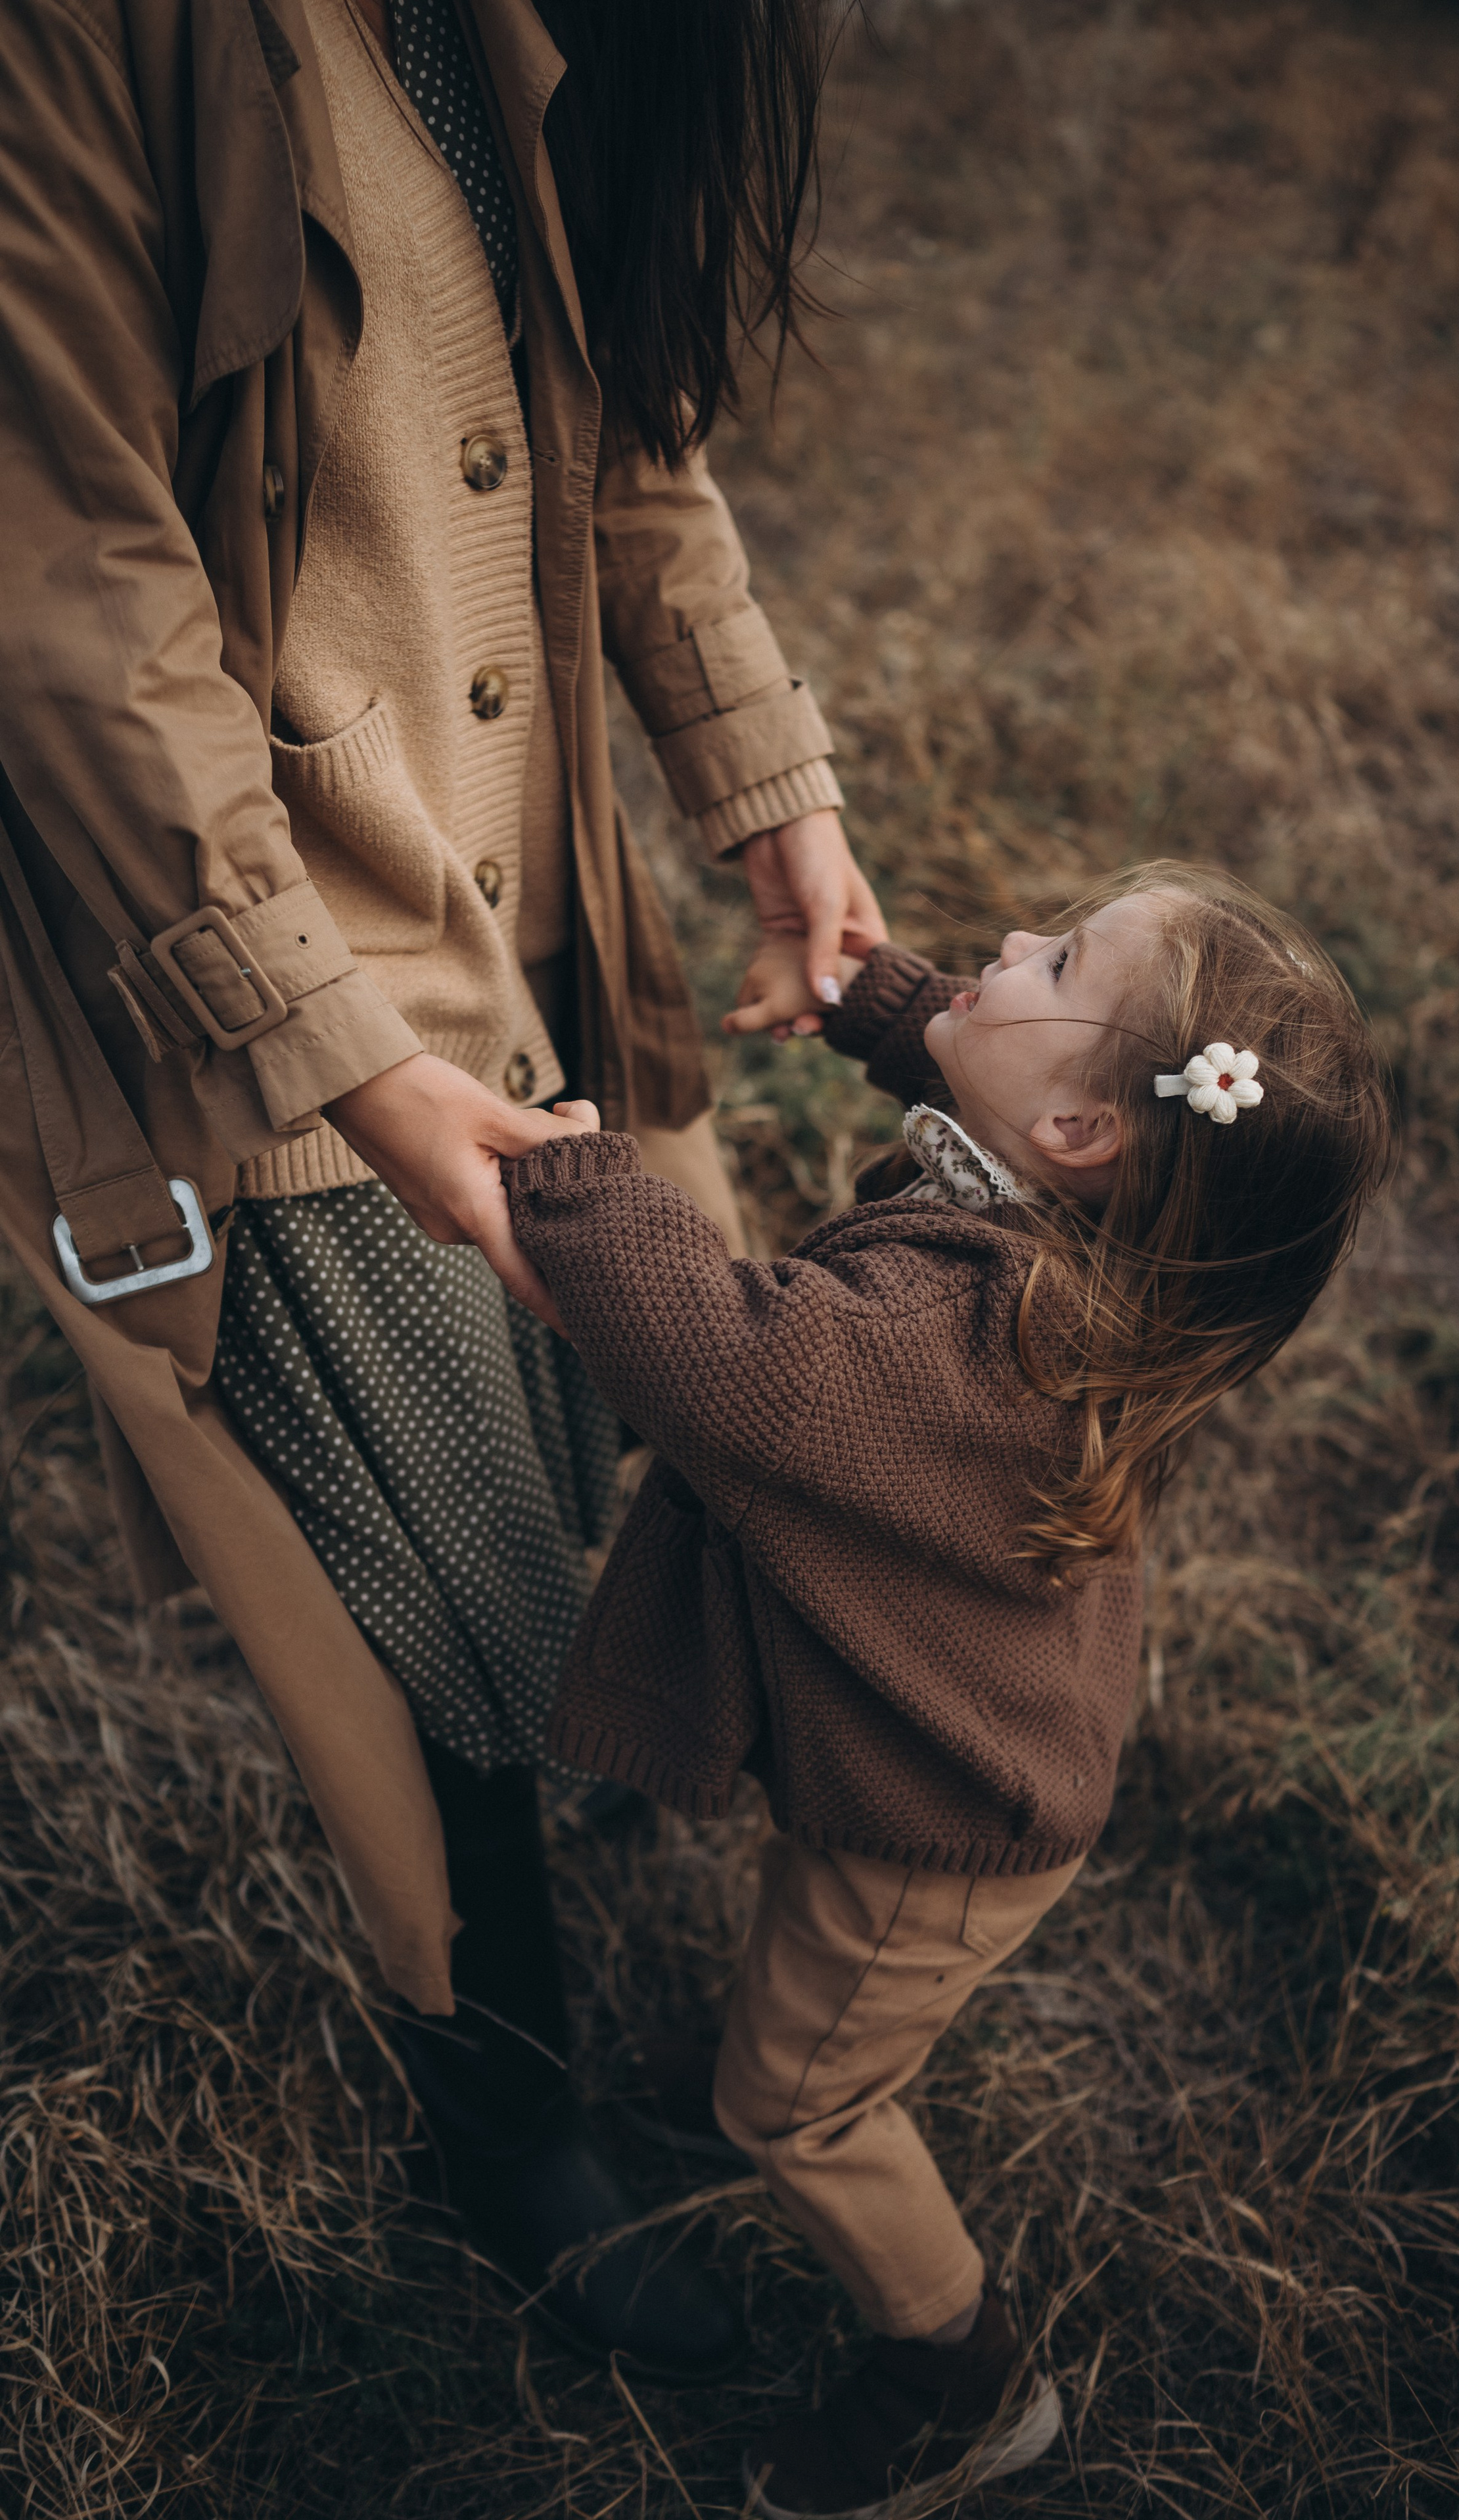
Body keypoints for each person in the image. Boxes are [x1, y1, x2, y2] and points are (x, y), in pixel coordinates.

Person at [0, 0, 885, 2379]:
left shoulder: (512, 26)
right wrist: (326, 1040)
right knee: (432, 1607)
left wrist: (761, 773)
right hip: (259, 966)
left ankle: (563, 1828)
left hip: (537, 904)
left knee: (585, 1457)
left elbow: (617, 438)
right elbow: (69, 581)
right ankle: (509, 2124)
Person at [506, 862, 1397, 2511]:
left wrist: (576, 1181)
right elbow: (1005, 1094)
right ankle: (834, 2106)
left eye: (1050, 956)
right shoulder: (1115, 1242)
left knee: (793, 2097)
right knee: (804, 2008)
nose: (1004, 944)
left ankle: (955, 2377)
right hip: (957, 1741)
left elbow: (726, 1364)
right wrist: (896, 1007)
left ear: (1082, 1139)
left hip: (935, 1819)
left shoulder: (960, 1335)